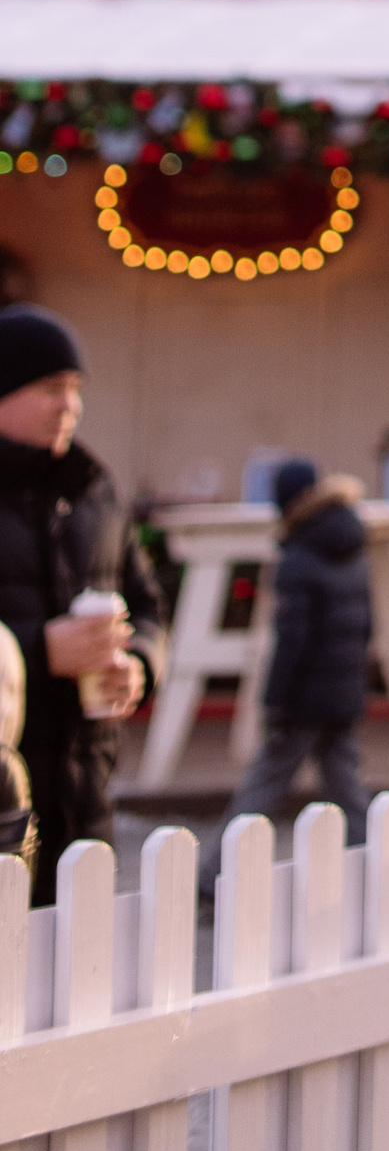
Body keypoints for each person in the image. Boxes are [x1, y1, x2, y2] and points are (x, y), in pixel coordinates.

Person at [0, 307, 160, 900]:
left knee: (81, 940)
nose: (69, 405)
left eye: (75, 388)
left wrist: (140, 663)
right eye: (50, 388)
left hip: (87, 784)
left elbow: (147, 603)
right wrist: (36, 652)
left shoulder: (95, 488)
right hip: (5, 788)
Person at [232, 461, 373, 830]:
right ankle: (376, 854)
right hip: (343, 690)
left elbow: (292, 640)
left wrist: (276, 701)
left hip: (304, 696)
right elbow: (367, 626)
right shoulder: (352, 547)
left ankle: (220, 862)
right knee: (346, 786)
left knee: (263, 784)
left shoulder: (299, 557)